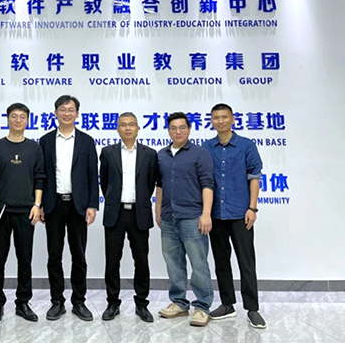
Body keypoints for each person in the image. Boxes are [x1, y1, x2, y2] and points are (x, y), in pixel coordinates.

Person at [202, 103, 266, 329]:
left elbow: (254, 177)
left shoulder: (246, 145)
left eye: (224, 117)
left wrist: (252, 208)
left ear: (233, 119)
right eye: (216, 117)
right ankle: (227, 304)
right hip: (216, 215)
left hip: (241, 214)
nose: (220, 121)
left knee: (246, 261)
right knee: (221, 261)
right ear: (211, 121)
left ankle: (252, 309)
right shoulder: (206, 147)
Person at [0, 103, 46, 323]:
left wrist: (37, 204)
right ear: (8, 119)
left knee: (25, 259)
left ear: (28, 120)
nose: (18, 120)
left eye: (22, 117)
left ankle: (23, 303)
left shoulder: (34, 148)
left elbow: (39, 178)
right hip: (0, 211)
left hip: (26, 211)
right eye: (14, 116)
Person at [38, 95, 98, 322]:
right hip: (53, 204)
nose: (66, 113)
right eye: (62, 109)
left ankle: (79, 301)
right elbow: (40, 175)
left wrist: (92, 204)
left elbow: (92, 175)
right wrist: (39, 204)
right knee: (54, 256)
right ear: (55, 113)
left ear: (77, 114)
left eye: (71, 109)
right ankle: (57, 301)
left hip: (78, 206)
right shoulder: (45, 141)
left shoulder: (86, 141)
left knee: (79, 256)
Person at [155, 112, 215, 327]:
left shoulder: (200, 153)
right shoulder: (161, 155)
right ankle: (179, 303)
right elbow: (160, 185)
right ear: (168, 131)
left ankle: (203, 306)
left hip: (192, 217)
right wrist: (158, 211)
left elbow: (208, 184)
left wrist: (206, 214)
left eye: (182, 127)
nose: (178, 132)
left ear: (189, 129)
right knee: (173, 262)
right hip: (168, 217)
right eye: (173, 128)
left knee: (198, 263)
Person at [99, 112, 158, 322]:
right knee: (112, 262)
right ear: (117, 129)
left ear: (138, 128)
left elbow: (150, 184)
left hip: (139, 214)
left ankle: (141, 304)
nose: (127, 128)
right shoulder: (108, 152)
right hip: (115, 214)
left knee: (141, 261)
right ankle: (112, 303)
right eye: (123, 125)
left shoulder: (150, 154)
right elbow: (104, 182)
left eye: (131, 124)